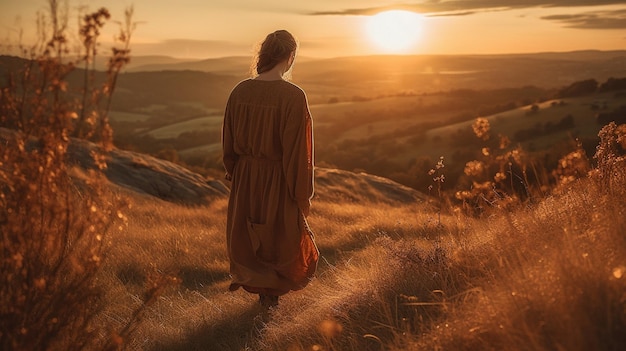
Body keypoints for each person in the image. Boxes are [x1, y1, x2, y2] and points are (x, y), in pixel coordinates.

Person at [221, 30, 319, 309]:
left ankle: (265, 301)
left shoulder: (239, 91)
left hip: (245, 178)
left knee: (249, 240)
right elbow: (299, 153)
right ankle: (269, 302)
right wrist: (302, 195)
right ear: (290, 57)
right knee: (280, 240)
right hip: (279, 178)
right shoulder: (293, 96)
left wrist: (238, 174)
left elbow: (228, 145)